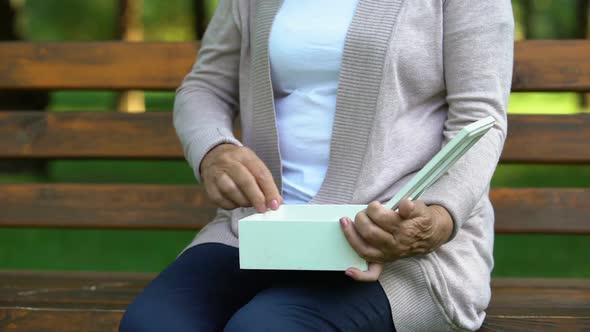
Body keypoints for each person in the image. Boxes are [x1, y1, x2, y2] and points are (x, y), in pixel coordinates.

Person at [120, 0, 514, 331]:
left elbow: (481, 121)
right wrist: (213, 151)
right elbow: (204, 86)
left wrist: (436, 221)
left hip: (395, 249)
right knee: (152, 324)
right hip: (260, 232)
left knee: (265, 328)